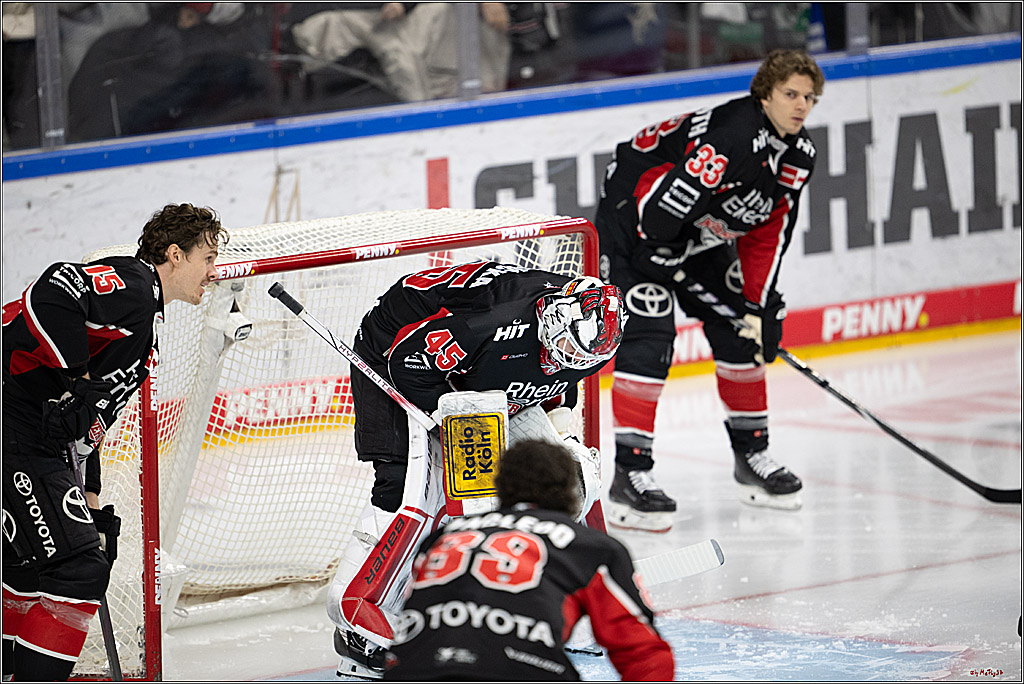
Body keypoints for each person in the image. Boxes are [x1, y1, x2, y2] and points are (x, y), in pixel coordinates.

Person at [327, 261, 627, 678]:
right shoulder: (492, 322)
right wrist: (450, 424)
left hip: (479, 377)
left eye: (575, 357)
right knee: (410, 490)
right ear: (551, 319)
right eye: (562, 352)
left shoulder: (588, 334)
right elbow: (408, 364)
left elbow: (562, 377)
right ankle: (359, 627)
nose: (566, 362)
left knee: (567, 483)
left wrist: (559, 434)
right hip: (395, 357)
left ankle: (543, 595)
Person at [595, 49, 825, 532]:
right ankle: (631, 474)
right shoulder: (733, 137)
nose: (801, 105)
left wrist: (757, 306)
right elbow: (661, 196)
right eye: (791, 94)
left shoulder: (798, 154)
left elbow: (767, 232)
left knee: (741, 332)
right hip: (633, 217)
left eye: (809, 97)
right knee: (650, 334)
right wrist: (656, 247)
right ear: (765, 93)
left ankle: (753, 458)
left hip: (698, 229)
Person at [2, 203, 228, 681]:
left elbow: (89, 421)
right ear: (174, 254)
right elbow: (55, 286)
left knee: (28, 567)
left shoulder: (145, 326)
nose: (213, 272)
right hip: (12, 418)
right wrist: (79, 377)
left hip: (30, 431)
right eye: (206, 258)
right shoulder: (135, 287)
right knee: (78, 569)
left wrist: (90, 497)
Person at [383, 438, 674, 681]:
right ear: (572, 489)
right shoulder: (590, 547)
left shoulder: (444, 536)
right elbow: (644, 654)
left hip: (414, 671)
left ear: (500, 485)